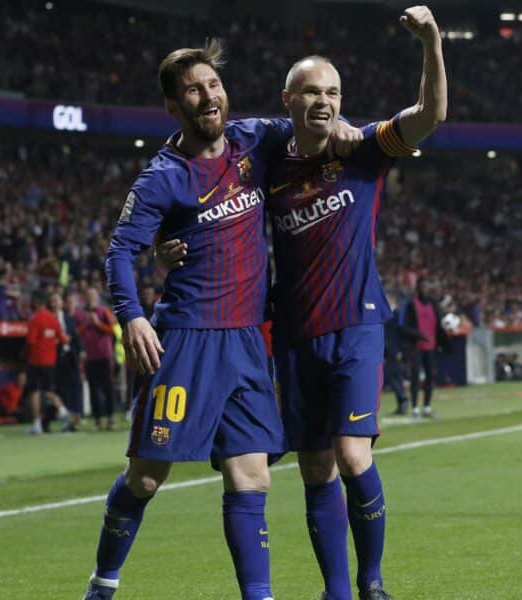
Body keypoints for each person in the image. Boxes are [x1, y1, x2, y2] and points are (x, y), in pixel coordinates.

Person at [84, 40, 359, 600]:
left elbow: (311, 119)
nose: (208, 96)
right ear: (173, 105)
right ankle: (102, 584)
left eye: (212, 85)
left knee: (251, 476)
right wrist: (133, 317)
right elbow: (118, 252)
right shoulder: (162, 177)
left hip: (248, 341)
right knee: (144, 478)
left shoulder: (253, 139)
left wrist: (345, 121)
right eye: (192, 89)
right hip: (185, 340)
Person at [264, 8, 445, 599]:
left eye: (334, 92)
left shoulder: (364, 148)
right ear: (288, 99)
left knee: (350, 454)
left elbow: (430, 116)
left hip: (357, 327)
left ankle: (371, 583)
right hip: (293, 333)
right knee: (314, 467)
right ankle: (336, 591)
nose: (325, 101)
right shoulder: (265, 164)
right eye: (313, 91)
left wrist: (431, 43)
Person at [396, 279, 450, 419]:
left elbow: (439, 324)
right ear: (418, 288)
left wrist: (443, 336)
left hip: (431, 347)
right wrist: (419, 335)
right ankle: (415, 408)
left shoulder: (433, 305)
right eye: (423, 287)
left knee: (430, 377)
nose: (426, 290)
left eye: (427, 287)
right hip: (416, 347)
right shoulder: (411, 305)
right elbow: (402, 327)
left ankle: (427, 407)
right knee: (415, 378)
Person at [24, 289, 71, 434]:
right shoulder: (53, 318)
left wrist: (25, 356)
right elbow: (64, 339)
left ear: (35, 302)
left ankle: (36, 424)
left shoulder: (34, 319)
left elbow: (30, 342)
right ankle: (63, 411)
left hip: (35, 361)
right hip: (50, 362)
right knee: (50, 391)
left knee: (35, 392)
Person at [79, 286, 118, 430]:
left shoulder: (104, 311)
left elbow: (112, 330)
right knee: (93, 388)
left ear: (97, 297)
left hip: (104, 355)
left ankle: (110, 418)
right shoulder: (81, 313)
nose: (91, 298)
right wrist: (86, 324)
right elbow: (77, 332)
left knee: (107, 387)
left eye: (93, 295)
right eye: (88, 295)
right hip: (90, 356)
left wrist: (98, 324)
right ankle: (97, 420)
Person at [52, 291, 83, 431]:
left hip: (71, 358)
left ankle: (75, 418)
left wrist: (81, 350)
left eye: (57, 300)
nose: (55, 303)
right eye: (53, 300)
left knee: (75, 388)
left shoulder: (68, 318)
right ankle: (65, 421)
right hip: (57, 359)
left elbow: (76, 336)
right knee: (62, 391)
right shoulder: (49, 318)